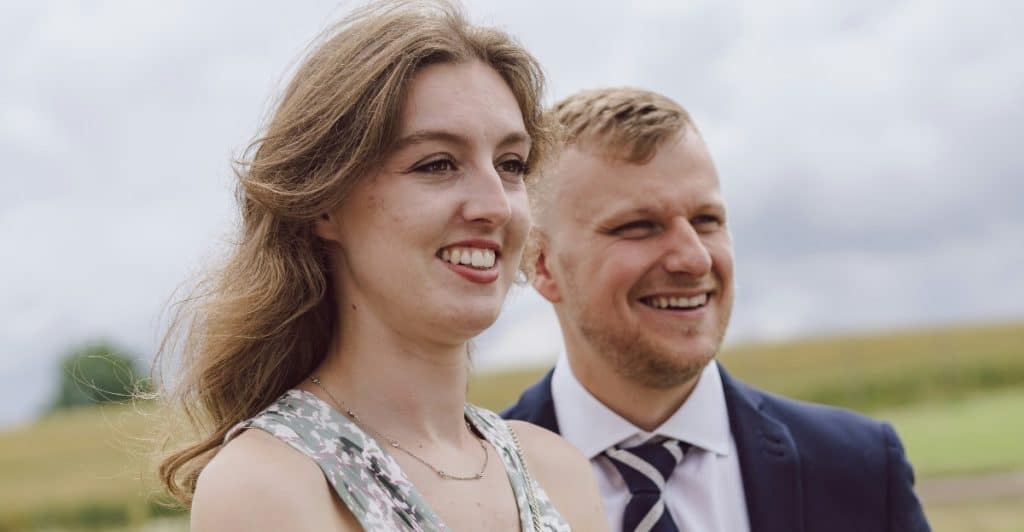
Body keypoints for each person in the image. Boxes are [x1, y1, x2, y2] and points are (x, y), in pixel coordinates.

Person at [154, 2, 607, 530]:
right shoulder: (271, 488)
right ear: (324, 202)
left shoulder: (557, 472)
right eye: (437, 163)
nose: (496, 205)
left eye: (511, 165)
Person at [503, 87, 931, 532]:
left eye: (707, 220)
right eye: (638, 226)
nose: (695, 259)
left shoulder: (860, 468)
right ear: (541, 265)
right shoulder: (474, 489)